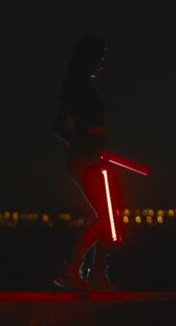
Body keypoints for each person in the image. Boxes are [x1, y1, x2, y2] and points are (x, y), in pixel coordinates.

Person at [51, 34, 123, 292]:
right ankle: (73, 268)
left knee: (110, 216)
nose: (101, 63)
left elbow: (61, 127)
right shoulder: (77, 87)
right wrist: (85, 144)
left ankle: (97, 273)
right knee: (106, 216)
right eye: (99, 57)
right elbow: (59, 126)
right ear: (88, 58)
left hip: (90, 156)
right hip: (87, 158)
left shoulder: (76, 86)